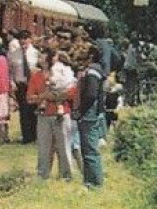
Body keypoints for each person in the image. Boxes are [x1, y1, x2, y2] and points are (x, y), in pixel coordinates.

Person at [36, 46, 77, 181]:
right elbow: (30, 97)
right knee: (44, 148)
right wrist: (43, 96)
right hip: (45, 113)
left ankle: (66, 175)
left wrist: (58, 96)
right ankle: (43, 174)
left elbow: (72, 92)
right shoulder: (37, 75)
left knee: (64, 146)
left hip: (62, 111)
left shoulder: (62, 70)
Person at [75, 50, 109, 187]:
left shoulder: (92, 73)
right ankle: (89, 180)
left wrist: (81, 111)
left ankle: (94, 182)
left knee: (90, 150)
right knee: (88, 149)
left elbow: (91, 95)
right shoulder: (97, 71)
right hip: (93, 113)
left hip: (89, 115)